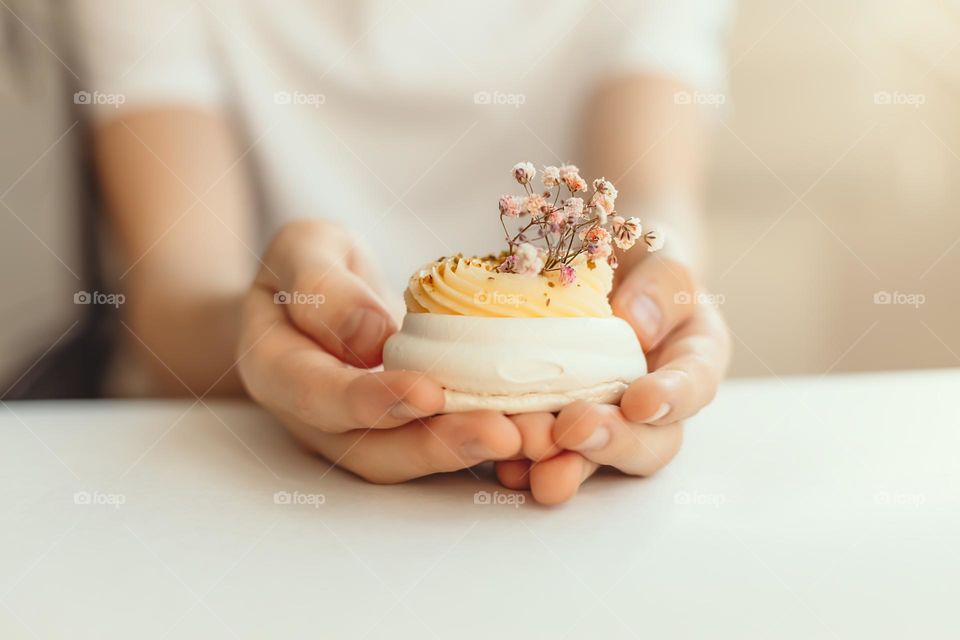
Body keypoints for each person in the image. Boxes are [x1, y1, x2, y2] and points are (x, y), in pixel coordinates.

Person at [69, 0, 733, 504]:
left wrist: (661, 277)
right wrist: (264, 337)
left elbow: (650, 195)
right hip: (221, 469)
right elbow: (175, 297)